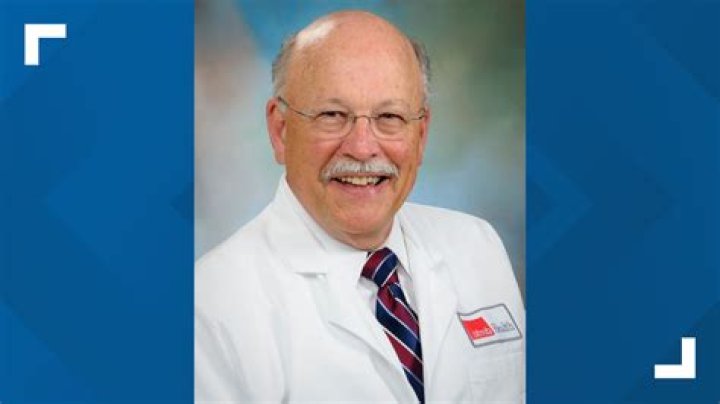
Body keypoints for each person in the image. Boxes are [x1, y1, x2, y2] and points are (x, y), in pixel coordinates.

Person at [195, 10, 525, 403]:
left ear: (421, 135)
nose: (363, 147)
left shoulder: (478, 247)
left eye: (390, 117)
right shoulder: (212, 305)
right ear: (280, 131)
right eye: (332, 115)